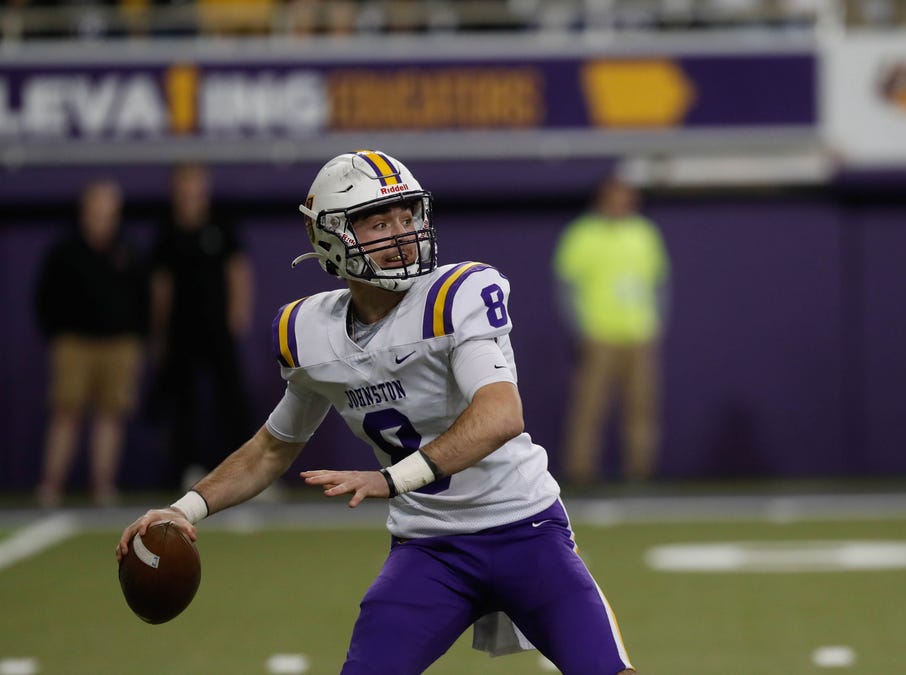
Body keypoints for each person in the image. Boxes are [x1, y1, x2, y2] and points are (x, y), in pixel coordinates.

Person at [117, 151, 636, 675]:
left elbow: (501, 414)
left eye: (407, 216)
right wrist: (184, 511)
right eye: (379, 222)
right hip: (430, 549)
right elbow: (271, 449)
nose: (402, 232)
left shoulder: (455, 298)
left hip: (525, 531)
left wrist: (393, 478)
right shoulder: (309, 333)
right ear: (331, 236)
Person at [34, 178, 147, 507]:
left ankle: (103, 486)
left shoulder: (128, 251)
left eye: (109, 211)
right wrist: (58, 334)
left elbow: (142, 299)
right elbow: (45, 298)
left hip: (119, 345)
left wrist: (136, 339)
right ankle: (51, 486)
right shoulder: (65, 252)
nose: (102, 218)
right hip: (74, 345)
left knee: (110, 416)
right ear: (85, 212)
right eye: (96, 210)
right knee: (66, 413)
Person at [554, 177, 670, 485]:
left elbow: (659, 282)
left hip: (639, 334)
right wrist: (581, 329)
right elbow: (566, 286)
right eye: (615, 197)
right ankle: (581, 474)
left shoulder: (645, 232)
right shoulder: (583, 234)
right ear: (603, 199)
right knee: (590, 409)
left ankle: (640, 473)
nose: (622, 203)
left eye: (627, 197)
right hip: (599, 334)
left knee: (642, 408)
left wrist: (655, 322)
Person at [150, 163, 254, 489]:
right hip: (182, 332)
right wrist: (160, 329)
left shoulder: (221, 224)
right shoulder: (167, 229)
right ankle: (190, 469)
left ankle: (247, 472)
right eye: (185, 185)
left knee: (232, 400)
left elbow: (238, 271)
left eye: (196, 184)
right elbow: (161, 285)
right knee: (185, 404)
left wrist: (238, 312)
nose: (191, 191)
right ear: (176, 189)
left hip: (218, 329)